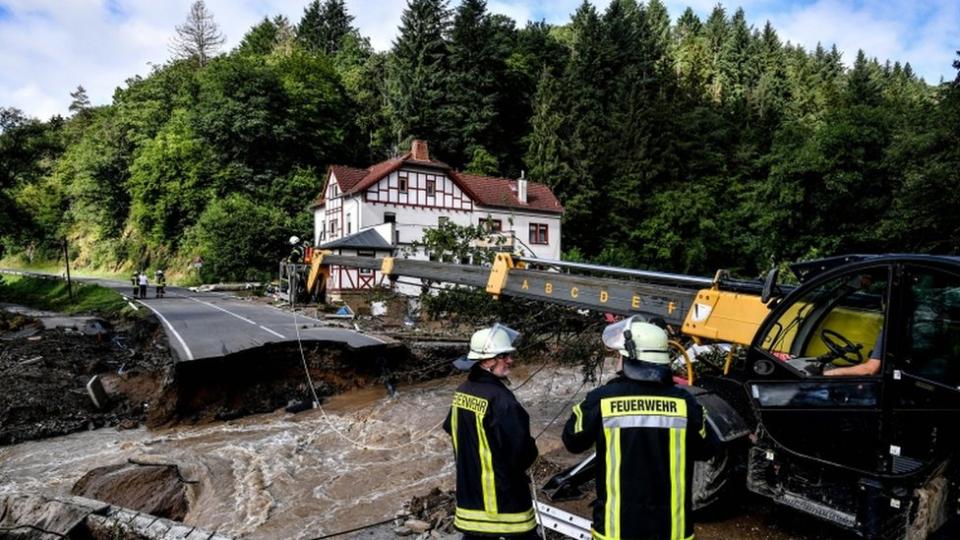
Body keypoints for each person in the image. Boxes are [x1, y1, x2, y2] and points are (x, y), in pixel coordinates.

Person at [562, 317, 714, 540]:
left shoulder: (602, 399)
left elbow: (572, 441)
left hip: (616, 530)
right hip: (672, 530)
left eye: (620, 354)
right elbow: (708, 449)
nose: (617, 359)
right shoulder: (686, 402)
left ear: (631, 357)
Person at [443, 324, 540, 539]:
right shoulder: (502, 401)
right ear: (487, 361)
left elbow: (451, 427)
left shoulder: (462, 392)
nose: (510, 361)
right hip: (505, 506)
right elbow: (521, 454)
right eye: (504, 356)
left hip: (470, 503)